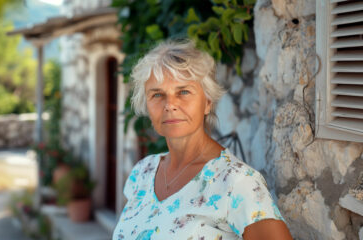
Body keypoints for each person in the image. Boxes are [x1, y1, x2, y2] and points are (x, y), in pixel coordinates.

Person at [113, 39, 293, 240]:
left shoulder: (237, 181)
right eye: (157, 94)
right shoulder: (141, 173)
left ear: (207, 102)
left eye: (183, 92)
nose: (170, 104)